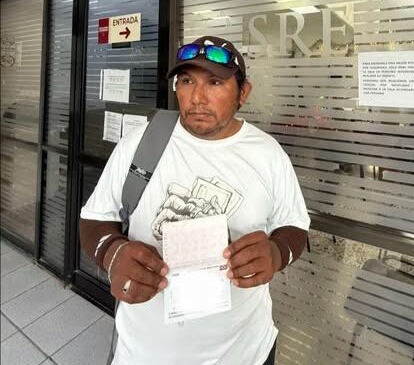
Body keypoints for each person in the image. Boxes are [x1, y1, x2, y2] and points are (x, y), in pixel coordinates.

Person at [79, 36, 310, 365]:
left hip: (245, 352)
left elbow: (294, 224)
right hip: (143, 353)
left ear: (243, 92)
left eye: (215, 82)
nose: (197, 98)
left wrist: (276, 253)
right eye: (187, 81)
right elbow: (95, 217)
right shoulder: (139, 144)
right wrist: (112, 254)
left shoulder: (267, 154)